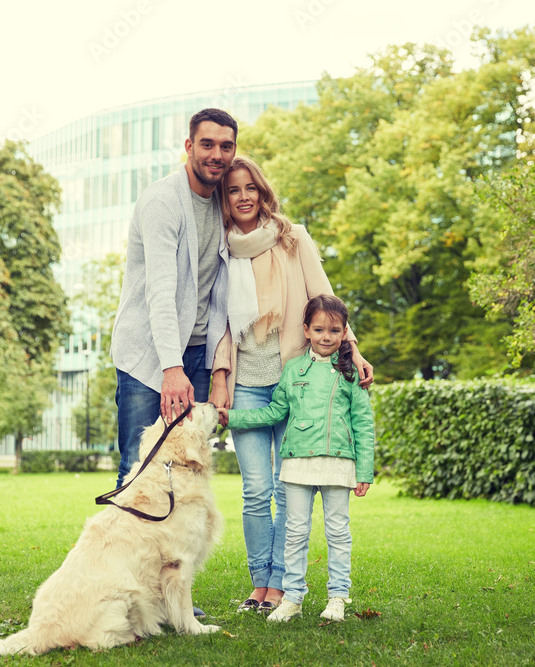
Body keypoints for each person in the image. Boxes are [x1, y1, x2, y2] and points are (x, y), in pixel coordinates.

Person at [211, 157, 373, 614]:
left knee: (287, 489)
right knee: (256, 490)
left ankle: (282, 587)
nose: (243, 196)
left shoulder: (292, 237)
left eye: (250, 188)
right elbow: (218, 320)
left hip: (291, 380)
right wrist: (220, 376)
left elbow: (325, 295)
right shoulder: (221, 249)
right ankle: (259, 583)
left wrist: (353, 348)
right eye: (233, 190)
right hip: (246, 381)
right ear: (224, 199)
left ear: (263, 193)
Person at [219, 294, 374, 622]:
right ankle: (292, 597)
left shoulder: (349, 373)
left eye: (334, 330)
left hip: (338, 463)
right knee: (295, 532)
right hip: (297, 464)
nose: (326, 336)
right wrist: (232, 419)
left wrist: (365, 471)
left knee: (337, 531)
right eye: (319, 329)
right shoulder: (292, 370)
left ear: (345, 332)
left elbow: (363, 423)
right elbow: (275, 411)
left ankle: (338, 597)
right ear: (305, 330)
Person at [110, 107, 237, 488]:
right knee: (140, 462)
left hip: (198, 351)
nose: (217, 154)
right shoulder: (163, 201)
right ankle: (123, 547)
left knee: (190, 462)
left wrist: (219, 372)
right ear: (188, 146)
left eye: (226, 146)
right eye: (207, 144)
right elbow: (161, 293)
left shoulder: (224, 203)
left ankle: (174, 547)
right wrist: (171, 368)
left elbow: (223, 296)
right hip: (149, 353)